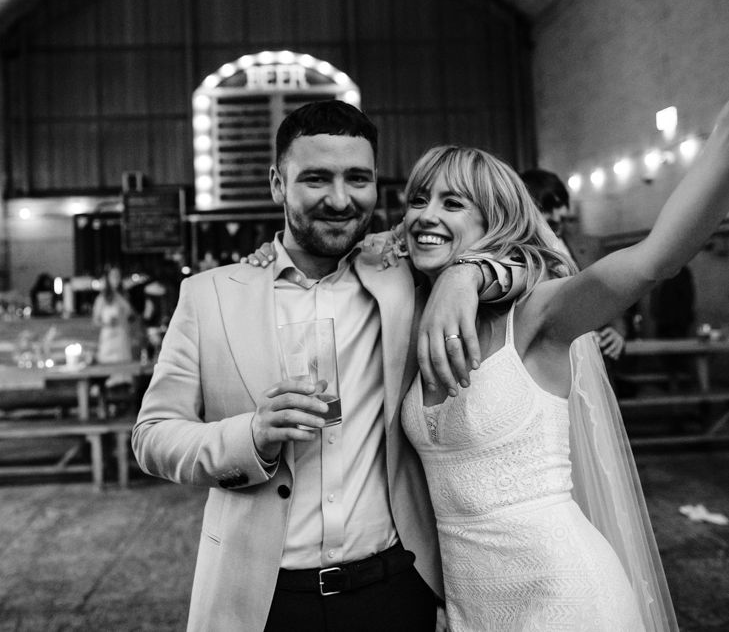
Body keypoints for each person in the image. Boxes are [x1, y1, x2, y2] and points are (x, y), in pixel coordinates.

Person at [131, 100, 523, 631]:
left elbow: (532, 261)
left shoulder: (404, 274)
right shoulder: (209, 297)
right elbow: (152, 437)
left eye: (357, 179)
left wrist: (466, 275)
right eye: (316, 178)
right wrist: (252, 436)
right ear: (278, 184)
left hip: (391, 588)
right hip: (261, 596)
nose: (340, 200)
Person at [395, 99, 729, 631]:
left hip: (563, 596)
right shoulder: (413, 313)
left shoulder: (536, 315)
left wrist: (722, 147)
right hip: (468, 605)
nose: (425, 215)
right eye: (418, 199)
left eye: (451, 202)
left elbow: (653, 260)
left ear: (492, 221)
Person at [520, 167, 626, 360]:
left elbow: (611, 292)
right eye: (547, 208)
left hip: (598, 357)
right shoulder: (519, 255)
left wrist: (617, 331)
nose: (559, 215)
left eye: (561, 204)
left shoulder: (590, 245)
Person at [92, 266, 134, 363]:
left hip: (122, 336)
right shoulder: (102, 298)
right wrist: (107, 324)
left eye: (118, 276)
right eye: (113, 276)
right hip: (108, 338)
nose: (116, 279)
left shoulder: (124, 296)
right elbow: (95, 321)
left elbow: (130, 313)